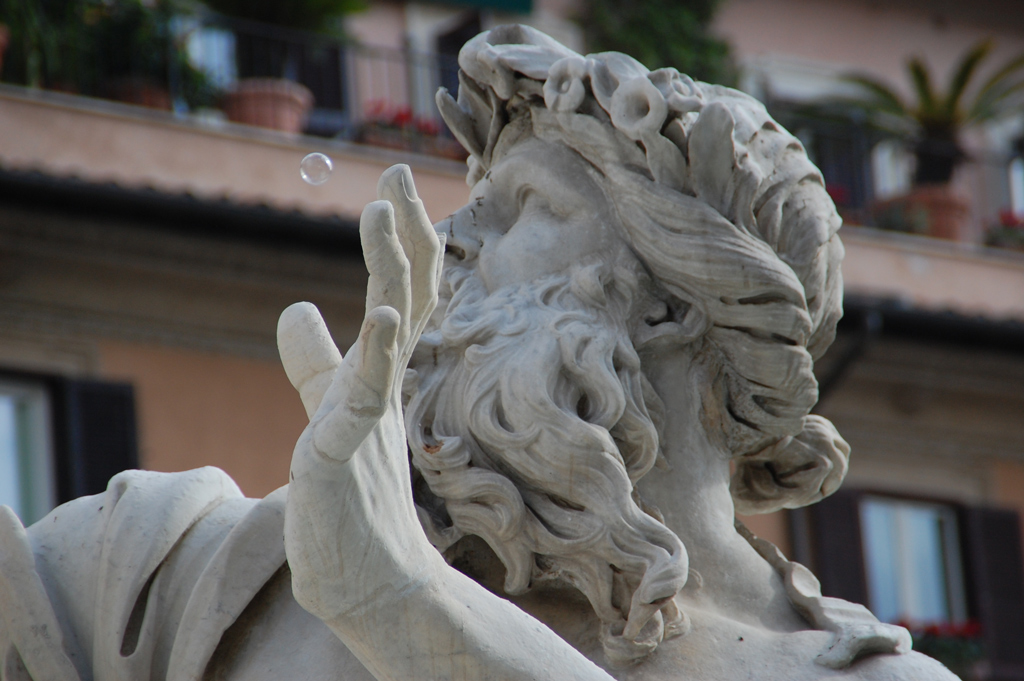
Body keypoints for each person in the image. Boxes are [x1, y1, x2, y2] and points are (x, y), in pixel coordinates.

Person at [0, 25, 959, 681]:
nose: (451, 239)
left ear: (677, 302)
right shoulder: (181, 569)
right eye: (471, 202)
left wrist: (403, 605)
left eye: (529, 208)